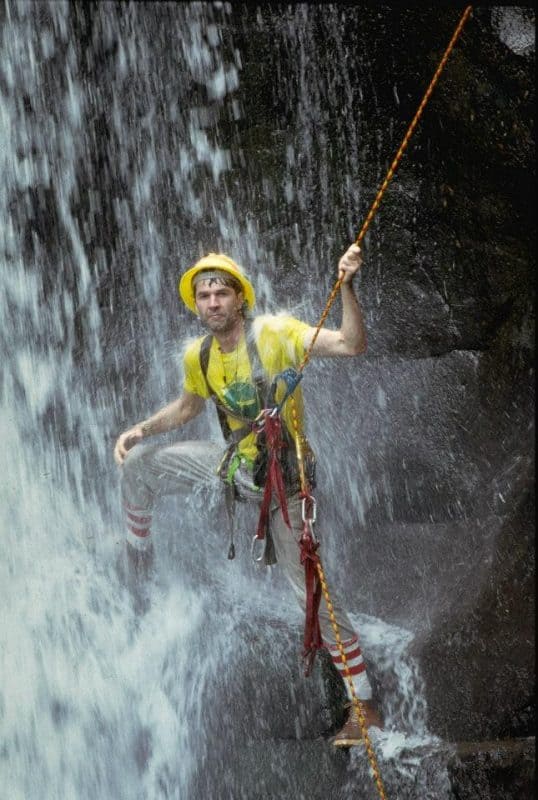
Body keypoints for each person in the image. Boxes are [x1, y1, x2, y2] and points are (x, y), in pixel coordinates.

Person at [113, 244, 383, 746]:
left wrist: (346, 285)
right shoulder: (201, 355)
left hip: (285, 478)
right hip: (235, 469)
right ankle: (137, 559)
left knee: (310, 593)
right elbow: (189, 408)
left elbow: (351, 344)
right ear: (196, 305)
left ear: (241, 299)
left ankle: (363, 706)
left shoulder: (275, 334)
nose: (212, 302)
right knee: (140, 466)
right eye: (204, 295)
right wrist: (141, 429)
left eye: (221, 293)